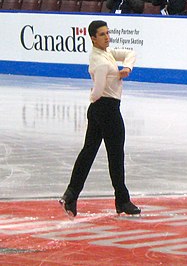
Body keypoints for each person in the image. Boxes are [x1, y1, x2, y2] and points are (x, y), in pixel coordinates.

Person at [59, 20, 141, 217]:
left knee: (88, 152)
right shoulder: (102, 62)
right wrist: (97, 91)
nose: (107, 37)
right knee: (115, 155)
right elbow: (96, 93)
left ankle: (71, 195)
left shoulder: (106, 53)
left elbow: (130, 54)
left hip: (99, 110)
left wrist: (126, 69)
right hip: (108, 110)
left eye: (107, 33)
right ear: (93, 38)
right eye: (102, 34)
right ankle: (122, 201)